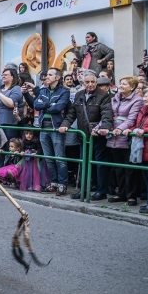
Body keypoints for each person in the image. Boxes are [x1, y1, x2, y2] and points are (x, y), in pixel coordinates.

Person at [60, 73, 113, 199]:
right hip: (83, 135)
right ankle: (83, 190)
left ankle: (101, 191)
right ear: (83, 83)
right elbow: (72, 113)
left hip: (97, 134)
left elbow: (107, 113)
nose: (90, 84)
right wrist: (65, 125)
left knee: (100, 163)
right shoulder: (79, 95)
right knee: (83, 162)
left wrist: (104, 127)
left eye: (92, 82)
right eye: (87, 82)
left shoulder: (103, 95)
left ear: (96, 82)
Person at [106, 76, 144, 206]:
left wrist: (120, 128)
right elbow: (108, 115)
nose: (120, 86)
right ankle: (121, 193)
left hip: (126, 136)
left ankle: (131, 195)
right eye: (120, 83)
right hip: (113, 136)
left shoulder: (137, 100)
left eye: (124, 84)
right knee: (118, 168)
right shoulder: (114, 99)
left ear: (132, 87)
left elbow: (132, 119)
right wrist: (100, 127)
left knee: (130, 168)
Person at [34, 68, 71, 196]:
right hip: (43, 127)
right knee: (49, 158)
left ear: (57, 77)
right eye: (46, 74)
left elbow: (59, 107)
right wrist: (50, 104)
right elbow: (36, 105)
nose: (46, 77)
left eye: (50, 75)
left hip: (56, 127)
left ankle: (62, 184)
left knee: (60, 157)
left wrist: (45, 105)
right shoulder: (43, 90)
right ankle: (53, 183)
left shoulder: (64, 91)